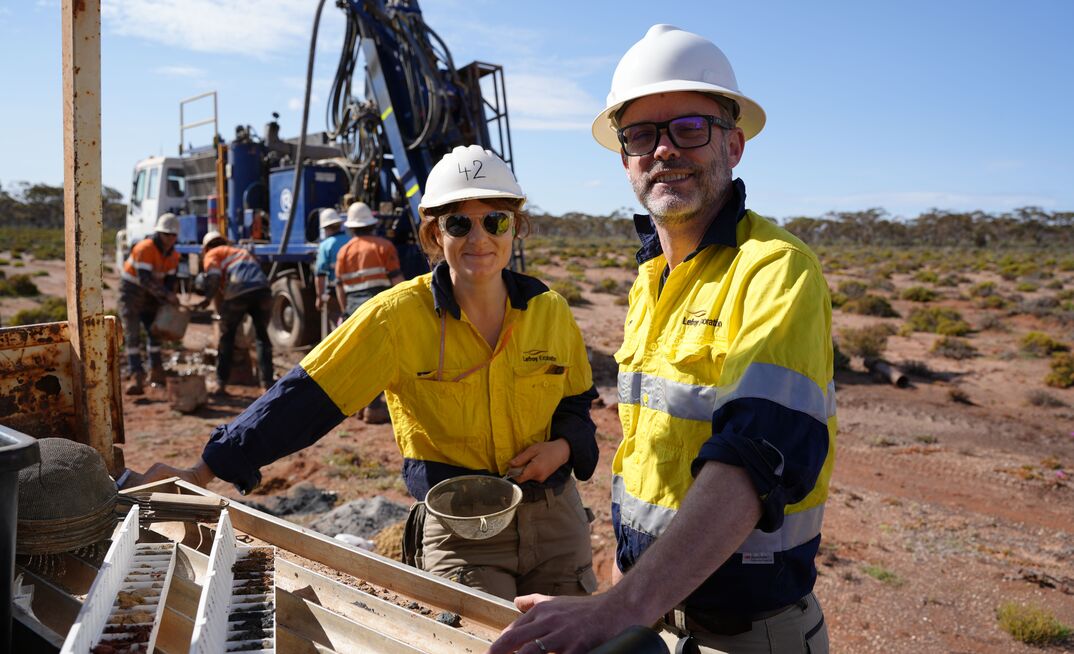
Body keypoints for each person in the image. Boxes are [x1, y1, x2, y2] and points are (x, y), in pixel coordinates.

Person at [491, 25, 835, 654]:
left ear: (733, 144)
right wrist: (618, 601)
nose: (664, 150)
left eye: (690, 128)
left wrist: (616, 608)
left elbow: (752, 460)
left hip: (745, 636)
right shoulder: (650, 280)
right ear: (623, 157)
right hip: (652, 619)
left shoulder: (774, 269)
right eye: (641, 134)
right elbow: (649, 462)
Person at [130, 145, 600, 602]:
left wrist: (561, 448)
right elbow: (306, 396)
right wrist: (204, 469)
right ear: (436, 235)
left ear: (515, 227)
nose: (479, 238)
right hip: (463, 537)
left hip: (556, 523)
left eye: (494, 221)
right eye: (459, 223)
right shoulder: (396, 319)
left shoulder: (549, 311)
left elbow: (576, 404)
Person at [334, 201, 404, 424]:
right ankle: (374, 409)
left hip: (353, 309)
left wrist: (345, 310)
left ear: (351, 227)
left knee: (361, 360)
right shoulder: (384, 247)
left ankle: (359, 406)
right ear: (372, 224)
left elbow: (339, 285)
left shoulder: (344, 251)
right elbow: (397, 281)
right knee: (380, 358)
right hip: (378, 308)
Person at [197, 231, 275, 395]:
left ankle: (220, 383)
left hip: (238, 291)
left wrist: (206, 299)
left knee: (227, 338)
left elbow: (214, 278)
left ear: (206, 248)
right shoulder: (241, 252)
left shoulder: (212, 253)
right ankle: (267, 384)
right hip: (263, 290)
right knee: (262, 338)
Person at [118, 212, 181, 395]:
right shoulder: (144, 248)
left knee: (154, 332)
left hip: (152, 294)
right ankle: (135, 375)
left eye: (172, 235)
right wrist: (166, 295)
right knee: (132, 334)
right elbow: (145, 280)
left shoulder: (174, 256)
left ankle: (156, 372)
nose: (169, 239)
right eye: (166, 234)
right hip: (132, 291)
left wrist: (169, 298)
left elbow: (170, 281)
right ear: (159, 233)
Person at [313, 207, 350, 330]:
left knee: (336, 328)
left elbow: (320, 274)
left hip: (335, 293)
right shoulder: (351, 240)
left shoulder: (325, 246)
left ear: (326, 228)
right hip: (353, 291)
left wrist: (319, 297)